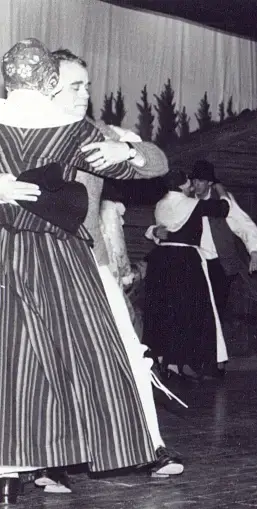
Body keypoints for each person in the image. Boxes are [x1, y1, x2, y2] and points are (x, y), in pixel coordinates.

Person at [0, 38, 155, 503]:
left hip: (7, 250)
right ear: (49, 81)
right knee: (77, 358)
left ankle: (8, 473)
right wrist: (127, 153)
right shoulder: (70, 129)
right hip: (57, 256)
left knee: (13, 360)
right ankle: (52, 456)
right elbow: (136, 170)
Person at [47, 48, 182, 479]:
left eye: (87, 86)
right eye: (74, 86)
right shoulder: (19, 131)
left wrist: (124, 149)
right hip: (39, 264)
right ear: (47, 86)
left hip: (93, 262)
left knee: (127, 350)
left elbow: (157, 161)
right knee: (45, 360)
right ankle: (44, 462)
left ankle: (150, 447)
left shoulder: (95, 133)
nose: (85, 94)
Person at [149, 159, 257, 377]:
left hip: (218, 263)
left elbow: (244, 225)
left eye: (201, 181)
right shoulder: (186, 201)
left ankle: (213, 364)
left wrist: (254, 252)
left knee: (215, 313)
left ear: (210, 183)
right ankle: (192, 363)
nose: (196, 185)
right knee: (191, 314)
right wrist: (155, 232)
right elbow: (167, 225)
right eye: (194, 181)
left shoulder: (222, 201)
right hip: (193, 264)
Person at [143, 171, 233, 381]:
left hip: (162, 260)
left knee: (165, 309)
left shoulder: (161, 204)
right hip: (185, 261)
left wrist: (153, 232)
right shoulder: (192, 204)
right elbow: (223, 209)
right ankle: (180, 363)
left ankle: (168, 362)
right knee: (188, 311)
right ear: (184, 185)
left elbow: (162, 231)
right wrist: (221, 190)